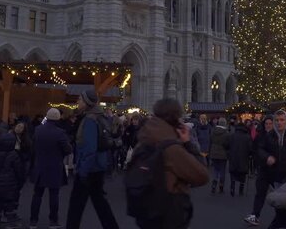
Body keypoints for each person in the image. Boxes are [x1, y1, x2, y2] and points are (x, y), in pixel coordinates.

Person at [132, 98, 209, 229]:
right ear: (175, 117)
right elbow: (202, 174)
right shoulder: (171, 147)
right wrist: (188, 143)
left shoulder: (144, 137)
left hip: (145, 210)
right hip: (169, 213)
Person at [66, 90, 119, 229]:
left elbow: (89, 148)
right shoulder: (99, 116)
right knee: (100, 203)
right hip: (97, 167)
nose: (77, 102)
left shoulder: (89, 120)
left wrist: (82, 171)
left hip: (88, 169)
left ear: (87, 102)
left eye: (80, 99)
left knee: (76, 206)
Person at [30, 108, 73, 229]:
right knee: (54, 195)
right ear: (58, 118)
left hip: (40, 165)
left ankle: (33, 221)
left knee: (37, 195)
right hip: (55, 166)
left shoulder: (38, 130)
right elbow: (68, 149)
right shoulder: (60, 133)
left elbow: (33, 147)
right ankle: (53, 221)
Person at [244, 115, 275, 226]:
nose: (268, 126)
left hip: (276, 169)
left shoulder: (277, 136)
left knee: (279, 194)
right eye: (266, 124)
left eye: (270, 124)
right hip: (263, 168)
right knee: (260, 193)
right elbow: (254, 149)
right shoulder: (260, 136)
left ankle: (283, 216)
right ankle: (255, 215)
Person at [0, 132, 25, 228]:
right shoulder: (14, 155)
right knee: (10, 202)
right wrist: (20, 182)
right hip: (11, 182)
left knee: (0, 202)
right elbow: (18, 170)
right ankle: (10, 223)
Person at [225, 122, 253, 196]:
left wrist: (228, 152)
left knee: (233, 172)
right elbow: (251, 149)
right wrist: (250, 154)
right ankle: (241, 188)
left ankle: (232, 186)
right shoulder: (247, 137)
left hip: (233, 156)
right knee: (242, 174)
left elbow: (226, 145)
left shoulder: (232, 136)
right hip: (244, 157)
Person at [209, 117, 230, 194]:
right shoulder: (226, 133)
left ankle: (214, 182)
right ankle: (221, 186)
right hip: (223, 154)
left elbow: (211, 140)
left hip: (214, 152)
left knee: (215, 169)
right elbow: (228, 144)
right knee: (222, 170)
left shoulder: (213, 131)